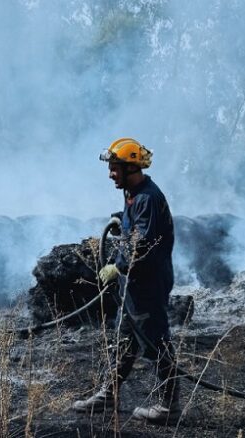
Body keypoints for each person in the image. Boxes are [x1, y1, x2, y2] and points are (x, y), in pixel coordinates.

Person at [72, 137, 180, 424]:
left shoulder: (146, 198)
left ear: (131, 167)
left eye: (114, 168)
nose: (110, 174)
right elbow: (137, 227)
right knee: (124, 338)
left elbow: (141, 244)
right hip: (133, 283)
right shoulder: (134, 193)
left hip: (147, 283)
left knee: (155, 340)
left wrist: (116, 267)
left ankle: (169, 405)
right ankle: (109, 395)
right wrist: (123, 218)